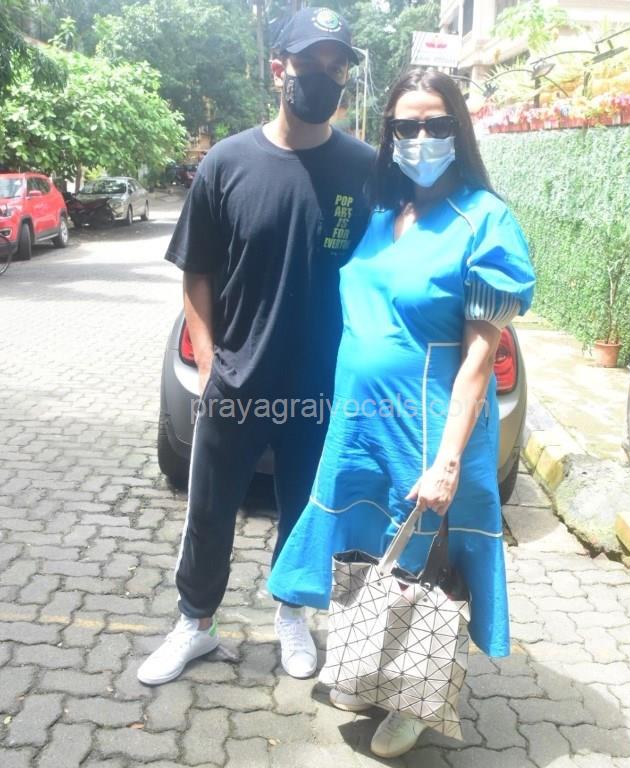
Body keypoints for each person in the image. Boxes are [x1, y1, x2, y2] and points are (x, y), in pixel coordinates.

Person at [267, 67, 536, 758]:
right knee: (367, 545)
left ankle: (413, 697)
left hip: (428, 426)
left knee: (424, 558)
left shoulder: (485, 221)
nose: (420, 137)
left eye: (435, 123)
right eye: (405, 126)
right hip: (362, 423)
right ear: (387, 135)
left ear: (458, 129)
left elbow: (479, 359)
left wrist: (447, 461)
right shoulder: (385, 213)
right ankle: (370, 665)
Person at [137, 7, 375, 686]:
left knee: (304, 511)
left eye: (336, 66)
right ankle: (195, 624)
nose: (324, 76)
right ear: (278, 70)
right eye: (310, 63)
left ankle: (291, 616)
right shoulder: (227, 162)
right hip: (237, 382)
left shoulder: (364, 169)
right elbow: (196, 273)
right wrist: (210, 363)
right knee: (209, 511)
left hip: (321, 386)